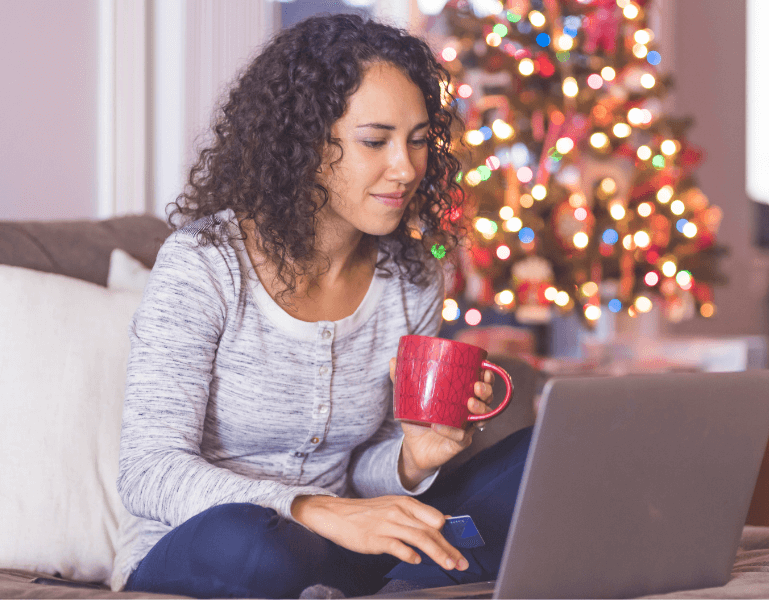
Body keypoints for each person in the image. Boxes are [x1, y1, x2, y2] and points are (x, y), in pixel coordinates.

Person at [112, 13, 533, 599]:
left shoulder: (411, 277)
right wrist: (312, 510)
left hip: (344, 550)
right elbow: (148, 472)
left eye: (417, 141)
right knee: (254, 544)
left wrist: (412, 460)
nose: (406, 169)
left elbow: (364, 469)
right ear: (305, 144)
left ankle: (380, 584)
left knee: (537, 465)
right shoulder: (204, 264)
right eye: (374, 141)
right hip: (206, 548)